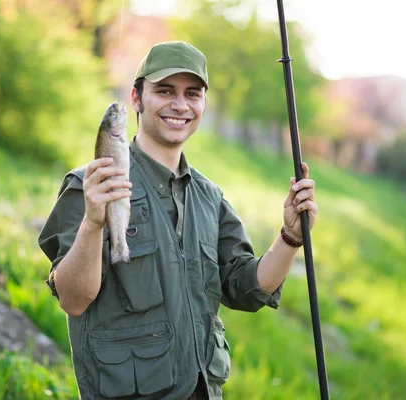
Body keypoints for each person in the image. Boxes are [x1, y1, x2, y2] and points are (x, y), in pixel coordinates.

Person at [38, 41, 318, 400]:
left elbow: (247, 288)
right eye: (165, 90)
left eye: (193, 93)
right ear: (136, 98)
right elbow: (74, 300)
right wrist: (93, 222)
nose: (180, 105)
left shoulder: (209, 197)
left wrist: (291, 237)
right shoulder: (90, 186)